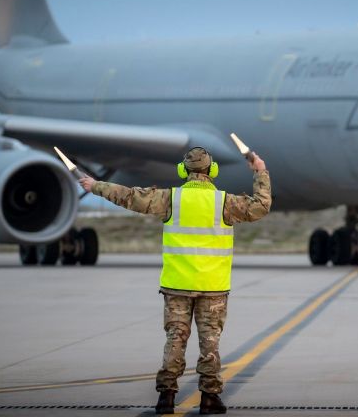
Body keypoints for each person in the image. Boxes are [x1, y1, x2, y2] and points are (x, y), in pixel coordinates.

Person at [79, 147, 271, 415]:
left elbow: (130, 197)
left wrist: (95, 185)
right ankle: (209, 398)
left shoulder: (170, 199)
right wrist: (260, 171)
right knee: (210, 343)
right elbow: (261, 206)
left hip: (176, 284)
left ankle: (166, 397)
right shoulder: (225, 202)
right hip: (212, 287)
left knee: (175, 339)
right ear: (212, 171)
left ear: (183, 171)